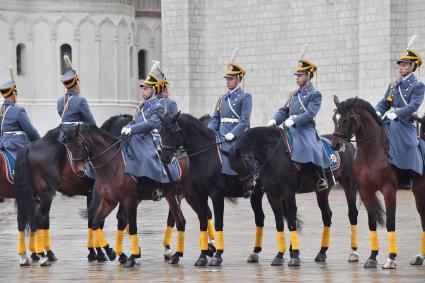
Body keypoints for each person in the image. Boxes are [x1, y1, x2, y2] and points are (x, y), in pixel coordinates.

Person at [268, 49, 331, 190]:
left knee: (311, 147)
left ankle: (321, 178)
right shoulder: (293, 94)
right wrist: (274, 120)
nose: (296, 78)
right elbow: (284, 110)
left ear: (308, 76)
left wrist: (295, 121)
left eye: (300, 75)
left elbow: (310, 113)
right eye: (297, 75)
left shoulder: (315, 94)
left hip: (305, 128)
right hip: (290, 128)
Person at [121, 61, 181, 201]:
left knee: (149, 156)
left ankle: (158, 186)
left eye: (146, 89)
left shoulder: (158, 105)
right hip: (137, 135)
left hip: (152, 136)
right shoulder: (142, 105)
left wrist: (132, 129)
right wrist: (127, 127)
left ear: (154, 90)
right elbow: (135, 120)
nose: (143, 91)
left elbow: (152, 123)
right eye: (142, 89)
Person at [375, 35, 424, 188]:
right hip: (389, 120)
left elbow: (413, 106)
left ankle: (407, 175)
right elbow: (385, 102)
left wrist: (397, 113)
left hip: (405, 122)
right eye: (401, 64)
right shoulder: (394, 85)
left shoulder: (418, 86)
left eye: (405, 64)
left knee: (410, 144)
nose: (401, 67)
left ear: (413, 66)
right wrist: (376, 111)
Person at [208, 49, 252, 197]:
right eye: (227, 79)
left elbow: (244, 121)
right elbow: (215, 118)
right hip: (221, 132)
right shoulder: (222, 98)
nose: (227, 81)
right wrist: (209, 132)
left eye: (231, 79)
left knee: (233, 154)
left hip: (236, 133)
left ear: (238, 79)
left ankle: (244, 184)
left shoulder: (245, 96)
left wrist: (232, 134)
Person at [0, 67, 40, 164]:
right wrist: (40, 142)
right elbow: (31, 132)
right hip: (16, 145)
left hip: (3, 144)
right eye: (16, 95)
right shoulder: (18, 111)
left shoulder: (1, 110)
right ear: (14, 95)